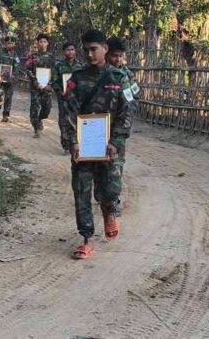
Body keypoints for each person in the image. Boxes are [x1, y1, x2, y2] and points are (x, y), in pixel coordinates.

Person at [63, 29, 133, 260]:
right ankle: (87, 238)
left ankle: (109, 210)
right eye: (86, 50)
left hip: (110, 145)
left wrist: (116, 141)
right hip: (84, 145)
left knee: (110, 189)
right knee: (82, 190)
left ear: (105, 49)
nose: (90, 54)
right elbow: (67, 112)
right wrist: (72, 141)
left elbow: (127, 111)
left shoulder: (119, 78)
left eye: (94, 49)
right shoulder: (76, 79)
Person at [105, 37, 140, 209]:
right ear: (106, 54)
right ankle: (102, 194)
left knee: (116, 163)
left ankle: (113, 200)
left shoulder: (127, 75)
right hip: (97, 127)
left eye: (121, 56)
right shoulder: (99, 73)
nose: (118, 59)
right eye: (114, 55)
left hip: (118, 128)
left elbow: (134, 99)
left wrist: (123, 127)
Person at [52, 41, 83, 154]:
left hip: (77, 99)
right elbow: (54, 81)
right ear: (63, 52)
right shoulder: (58, 66)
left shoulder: (81, 66)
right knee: (64, 121)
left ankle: (77, 143)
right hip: (63, 98)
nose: (70, 52)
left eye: (72, 49)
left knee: (77, 120)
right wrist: (60, 92)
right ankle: (66, 145)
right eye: (68, 50)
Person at [25, 34, 55, 138]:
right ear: (37, 43)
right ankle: (36, 128)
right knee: (34, 108)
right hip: (35, 88)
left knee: (47, 108)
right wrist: (35, 81)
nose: (42, 44)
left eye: (44, 42)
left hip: (47, 87)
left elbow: (55, 72)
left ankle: (40, 119)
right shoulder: (32, 56)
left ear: (48, 43)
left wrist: (50, 84)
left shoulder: (51, 57)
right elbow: (28, 69)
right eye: (40, 42)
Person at [0, 36, 19, 122]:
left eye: (12, 43)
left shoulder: (15, 55)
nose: (10, 45)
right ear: (5, 44)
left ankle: (5, 115)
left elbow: (16, 67)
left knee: (8, 97)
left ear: (14, 44)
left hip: (10, 80)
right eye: (8, 43)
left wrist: (13, 75)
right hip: (0, 79)